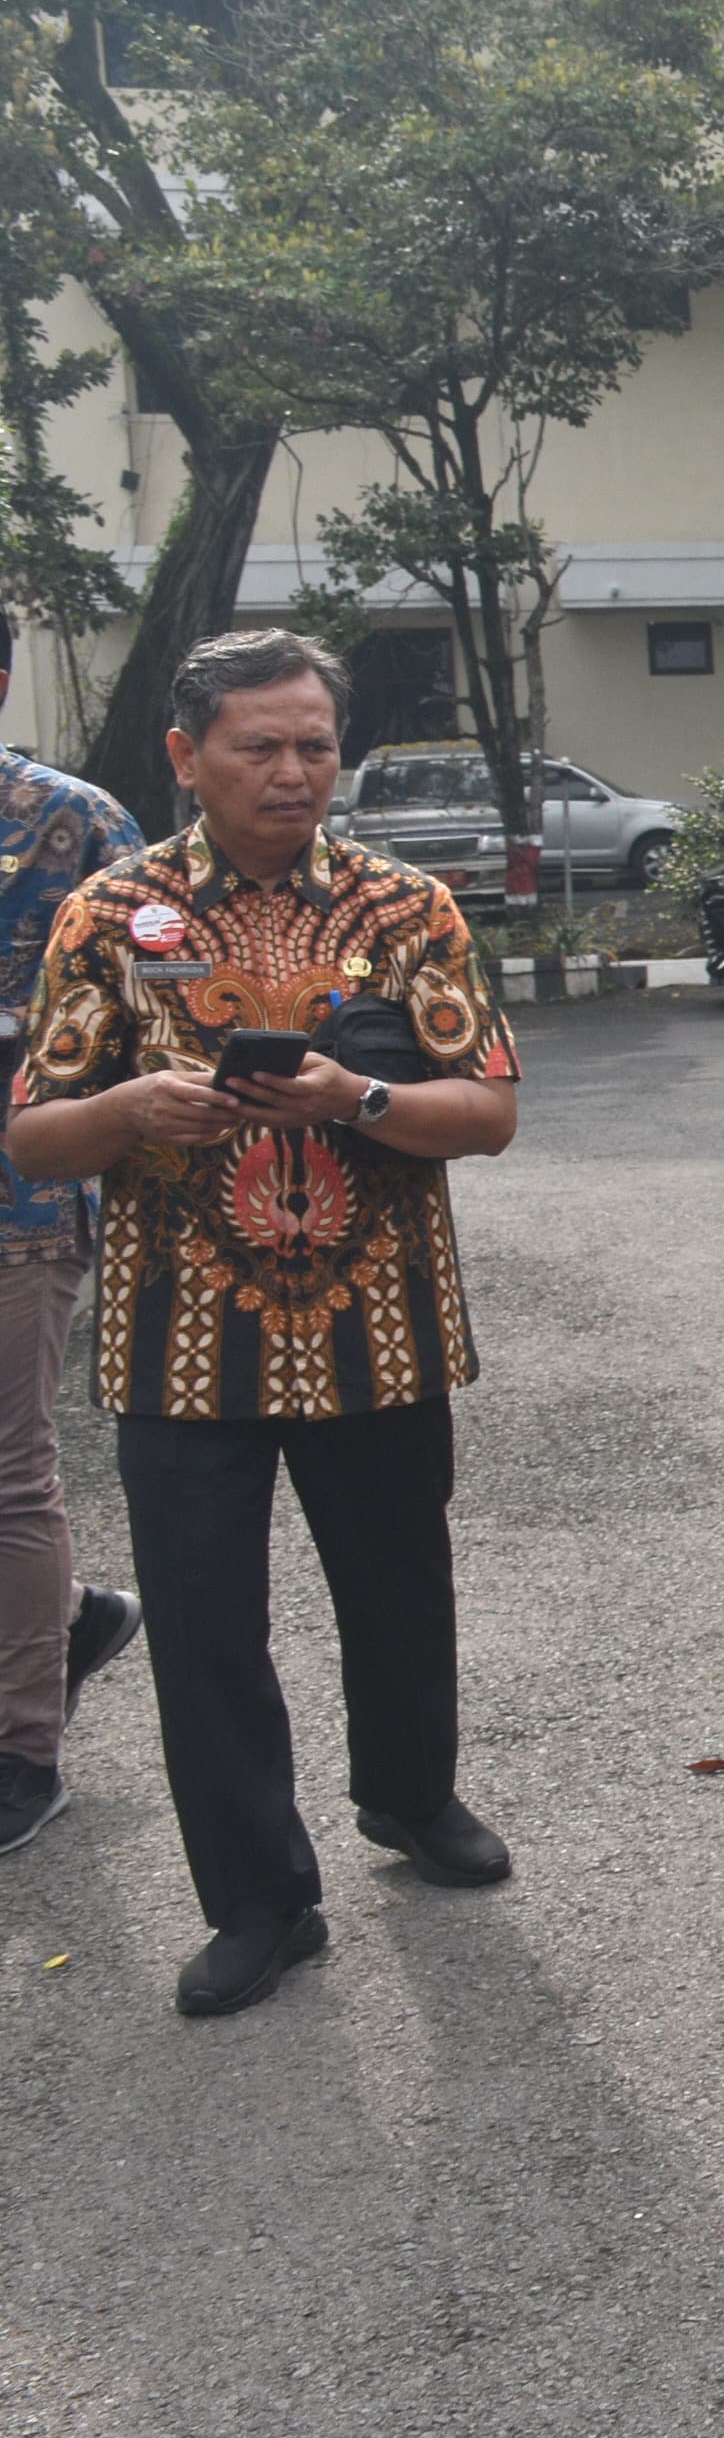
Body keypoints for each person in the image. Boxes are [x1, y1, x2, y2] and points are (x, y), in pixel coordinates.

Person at [3, 630, 522, 2017]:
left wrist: (354, 1099)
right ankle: (259, 1901)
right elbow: (38, 1134)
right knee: (203, 1629)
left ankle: (413, 1801)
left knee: (401, 1596)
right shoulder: (111, 917)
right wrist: (126, 1110)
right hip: (183, 1340)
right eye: (261, 746)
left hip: (382, 1328)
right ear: (187, 756)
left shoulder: (409, 910)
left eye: (314, 745)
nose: (294, 772)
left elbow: (490, 1106)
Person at [0, 609, 145, 1856]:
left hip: (19, 1204)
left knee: (9, 1472)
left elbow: (155, 1008)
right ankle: (79, 1616)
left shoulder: (80, 827)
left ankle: (21, 1746)